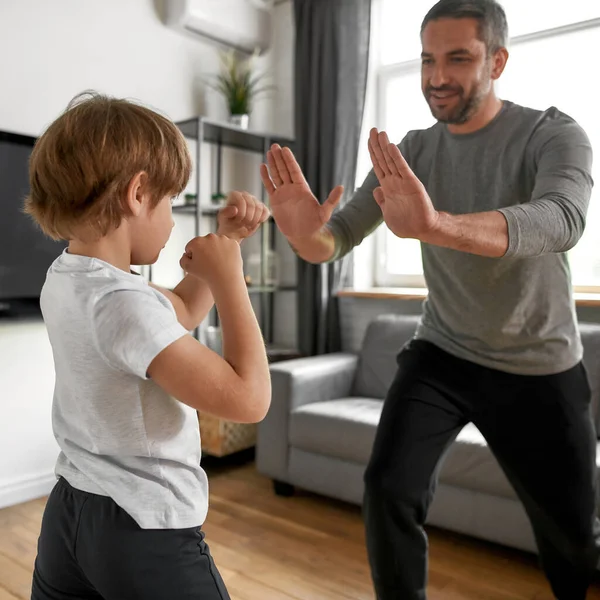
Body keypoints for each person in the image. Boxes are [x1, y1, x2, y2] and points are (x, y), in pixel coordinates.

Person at [260, 0, 599, 598]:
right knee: (388, 489)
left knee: (572, 542)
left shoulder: (552, 133)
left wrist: (437, 225)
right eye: (427, 60)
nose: (437, 77)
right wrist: (300, 232)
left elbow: (562, 219)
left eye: (458, 59)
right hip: (442, 353)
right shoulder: (410, 151)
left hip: (538, 367)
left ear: (498, 60)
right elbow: (331, 242)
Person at [26, 91, 272, 600]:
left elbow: (176, 314)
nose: (173, 218)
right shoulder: (123, 304)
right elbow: (250, 401)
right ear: (138, 193)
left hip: (70, 514)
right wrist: (230, 282)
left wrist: (228, 242)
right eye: (171, 202)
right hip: (143, 528)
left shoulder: (70, 279)